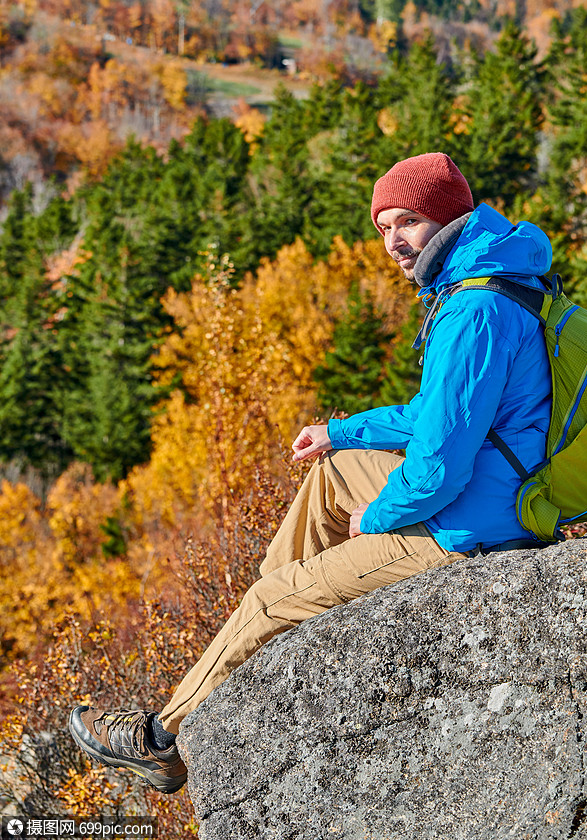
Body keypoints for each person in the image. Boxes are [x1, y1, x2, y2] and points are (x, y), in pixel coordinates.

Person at [69, 152, 553, 793]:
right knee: (334, 472)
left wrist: (374, 518)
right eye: (382, 230)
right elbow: (440, 417)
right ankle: (261, 640)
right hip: (501, 486)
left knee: (272, 595)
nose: (393, 244)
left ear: (447, 216)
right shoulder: (498, 279)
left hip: (473, 527)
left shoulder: (474, 311)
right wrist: (339, 432)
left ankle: (164, 740)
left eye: (406, 222)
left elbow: (438, 469)